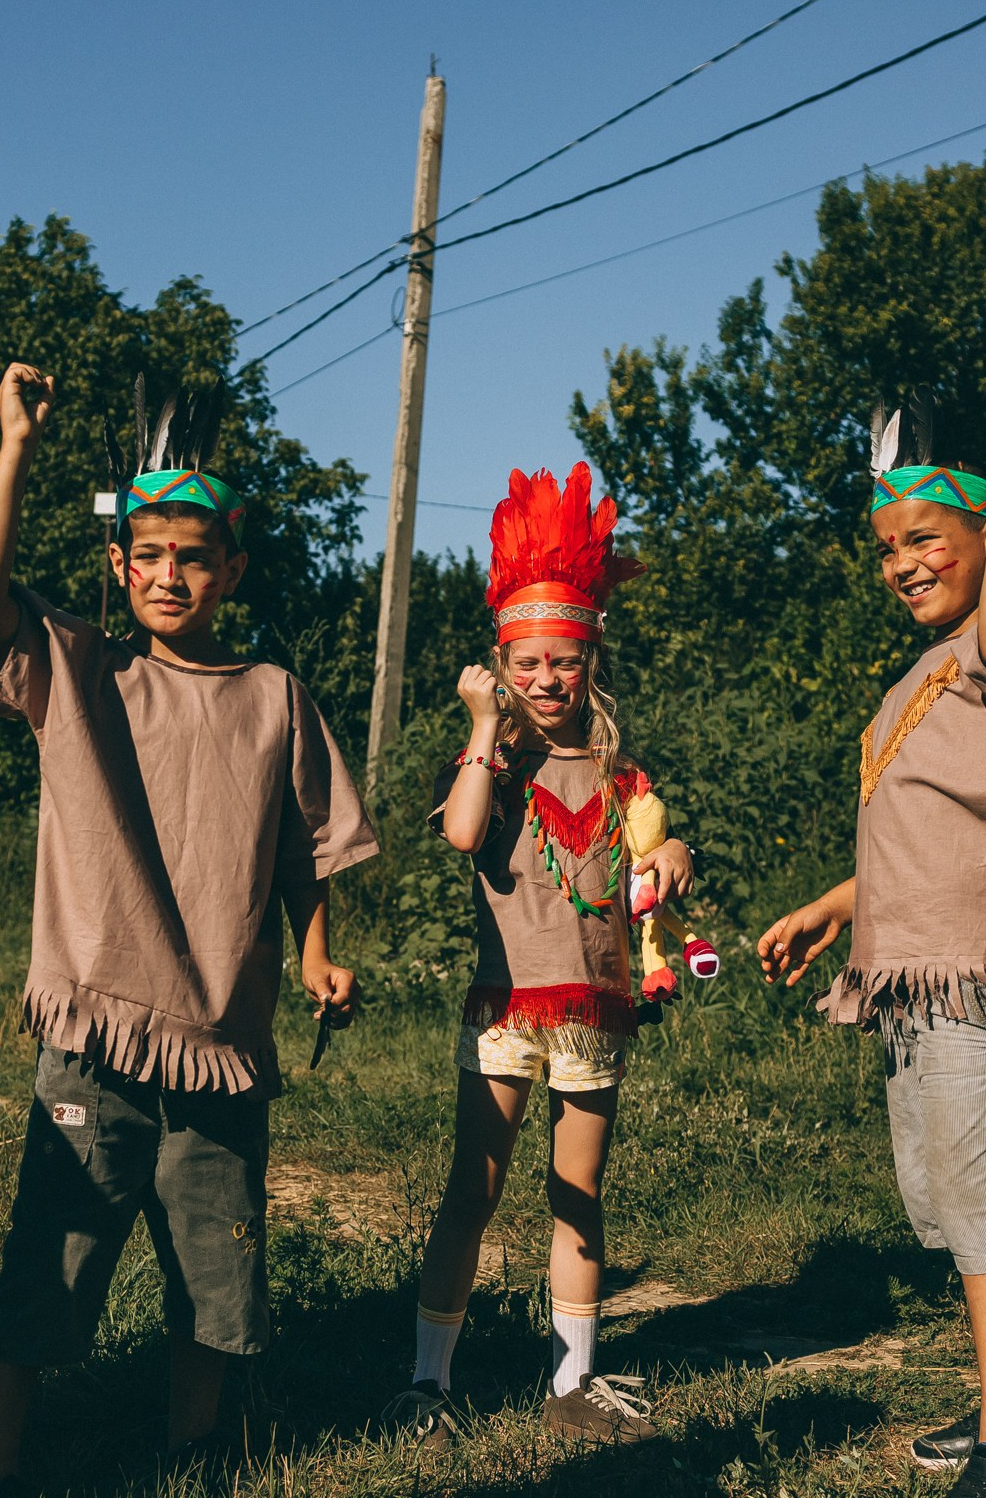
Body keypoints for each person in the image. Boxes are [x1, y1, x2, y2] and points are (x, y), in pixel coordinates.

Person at [0, 365, 376, 1495]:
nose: (170, 575)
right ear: (118, 564)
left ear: (232, 568)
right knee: (47, 1275)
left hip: (222, 1047)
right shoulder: (76, 668)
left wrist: (318, 953)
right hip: (97, 1035)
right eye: (149, 556)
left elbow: (305, 849)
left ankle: (193, 1461)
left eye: (193, 557)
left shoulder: (275, 696)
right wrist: (15, 448)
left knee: (216, 1282)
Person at [757, 403, 986, 1498]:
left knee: (984, 1197)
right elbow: (933, 839)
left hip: (979, 966)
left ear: (984, 532)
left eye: (924, 540)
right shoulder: (927, 672)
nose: (901, 563)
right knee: (949, 1197)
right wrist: (835, 907)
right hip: (914, 971)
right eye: (886, 548)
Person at [384, 463, 693, 1451]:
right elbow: (463, 832)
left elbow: (656, 847)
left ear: (590, 660)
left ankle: (572, 1381)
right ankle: (427, 1382)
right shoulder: (495, 762)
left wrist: (676, 858)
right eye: (527, 664)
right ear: (500, 664)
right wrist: (484, 726)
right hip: (505, 1010)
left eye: (564, 661)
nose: (547, 680)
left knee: (578, 1195)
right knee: (471, 1192)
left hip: (594, 1014)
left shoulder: (619, 773)